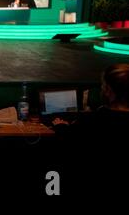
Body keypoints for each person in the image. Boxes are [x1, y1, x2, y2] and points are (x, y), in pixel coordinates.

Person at [53, 63, 129, 196]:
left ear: (109, 91)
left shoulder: (93, 121)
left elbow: (69, 140)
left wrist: (60, 126)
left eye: (103, 85)